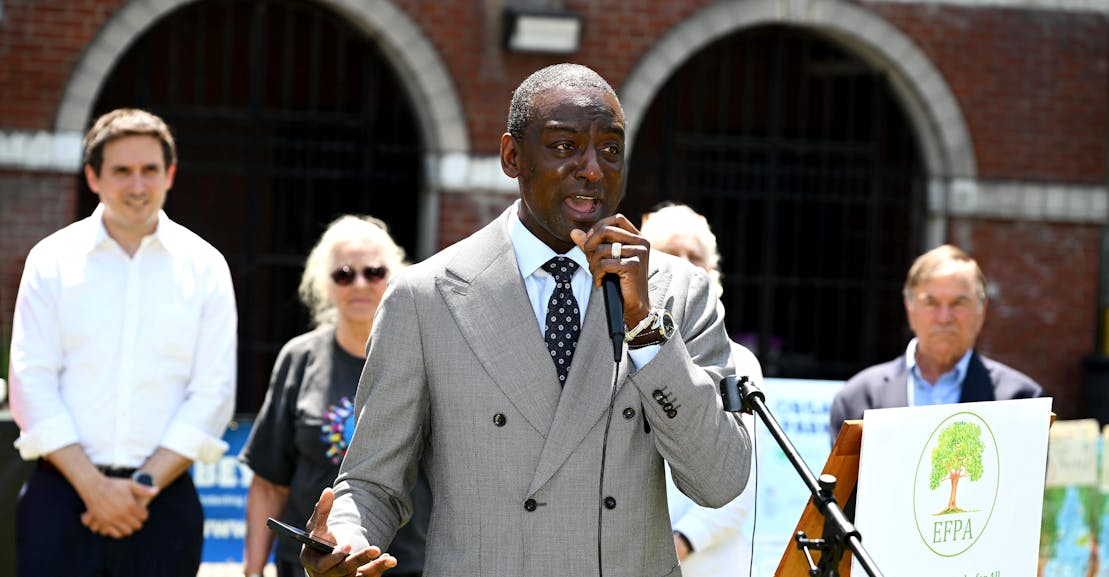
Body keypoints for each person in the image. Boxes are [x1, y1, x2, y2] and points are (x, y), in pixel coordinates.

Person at [299, 63, 752, 577]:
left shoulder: (678, 292)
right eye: (564, 146)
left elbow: (720, 480)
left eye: (610, 148)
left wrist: (644, 324)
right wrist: (346, 537)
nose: (592, 169)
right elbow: (373, 483)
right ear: (513, 157)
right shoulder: (426, 296)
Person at [8, 108, 237, 577]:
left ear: (170, 174)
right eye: (122, 171)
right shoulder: (51, 260)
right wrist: (94, 487)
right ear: (93, 177)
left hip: (162, 502)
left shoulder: (206, 267)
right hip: (61, 496)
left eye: (150, 170)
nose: (138, 186)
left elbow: (213, 393)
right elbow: (30, 381)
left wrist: (142, 486)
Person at [239, 215, 431, 577]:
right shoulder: (301, 358)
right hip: (311, 568)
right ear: (324, 284)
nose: (359, 283)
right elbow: (269, 481)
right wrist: (252, 570)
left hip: (406, 565)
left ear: (394, 279)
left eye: (374, 272)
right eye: (344, 274)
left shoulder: (426, 356)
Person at [641, 203, 758, 577]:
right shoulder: (615, 355)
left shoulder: (741, 362)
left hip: (709, 564)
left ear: (713, 273)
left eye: (695, 258)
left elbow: (740, 481)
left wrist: (681, 543)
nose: (685, 267)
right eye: (671, 255)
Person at [828, 244, 1042, 441]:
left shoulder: (1020, 402)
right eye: (931, 303)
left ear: (982, 310)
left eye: (959, 303)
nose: (944, 317)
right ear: (909, 307)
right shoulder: (858, 398)